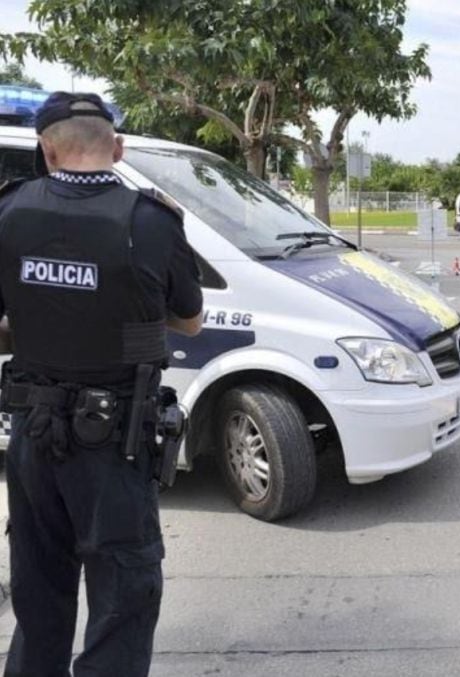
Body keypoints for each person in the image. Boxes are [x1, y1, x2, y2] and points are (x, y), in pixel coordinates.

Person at [0, 92, 203, 677]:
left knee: (38, 587)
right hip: (115, 443)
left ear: (46, 149)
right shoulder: (150, 220)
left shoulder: (9, 212)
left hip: (34, 437)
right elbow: (189, 319)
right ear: (116, 147)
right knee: (122, 592)